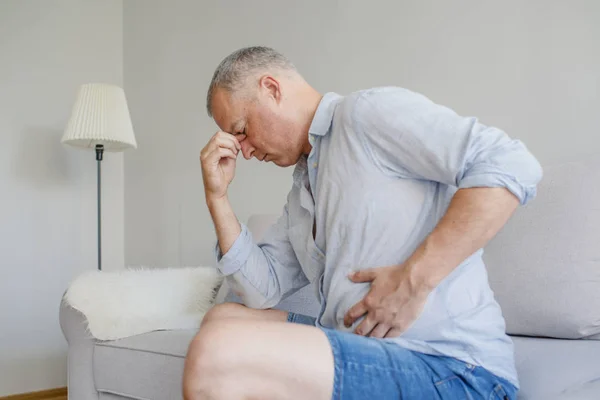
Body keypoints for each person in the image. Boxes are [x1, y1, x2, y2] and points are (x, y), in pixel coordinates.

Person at [183, 46, 542, 400]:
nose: (244, 151)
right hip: (360, 349)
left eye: (242, 130)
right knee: (223, 319)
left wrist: (415, 278)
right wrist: (217, 198)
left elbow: (511, 163)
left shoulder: (364, 114)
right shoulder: (302, 192)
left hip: (453, 370)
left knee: (218, 352)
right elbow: (260, 291)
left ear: (272, 89)